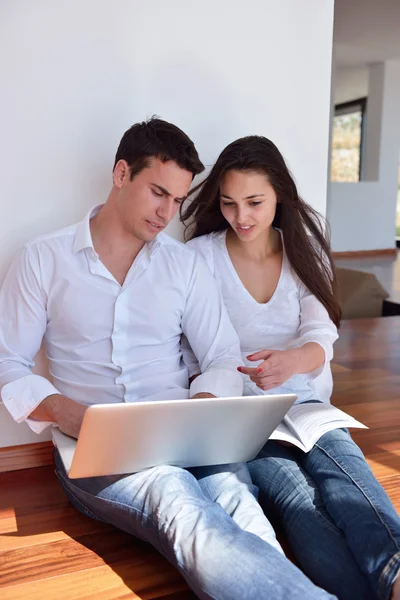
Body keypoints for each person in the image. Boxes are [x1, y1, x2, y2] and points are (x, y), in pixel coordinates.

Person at [0, 119, 337, 600]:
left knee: (240, 502)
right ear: (121, 174)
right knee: (176, 501)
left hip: (186, 436)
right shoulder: (42, 260)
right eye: (158, 192)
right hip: (96, 450)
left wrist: (199, 407)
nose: (166, 213)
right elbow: (7, 362)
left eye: (177, 201)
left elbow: (221, 353)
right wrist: (63, 410)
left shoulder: (184, 265)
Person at [181, 134, 400, 600]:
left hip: (306, 400)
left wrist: (291, 363)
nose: (242, 217)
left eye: (255, 202)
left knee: (345, 470)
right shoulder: (199, 258)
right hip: (242, 414)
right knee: (296, 499)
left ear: (279, 193)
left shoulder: (302, 248)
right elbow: (191, 346)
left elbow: (322, 335)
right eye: (229, 203)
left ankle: (395, 573)